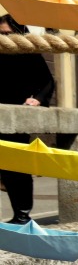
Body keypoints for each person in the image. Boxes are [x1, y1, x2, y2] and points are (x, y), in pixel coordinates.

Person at [0, 14, 55, 224]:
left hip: (16, 118)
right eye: (1, 34)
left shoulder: (28, 53)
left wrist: (38, 99)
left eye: (8, 34)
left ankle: (21, 215)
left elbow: (47, 81)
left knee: (16, 167)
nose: (4, 38)